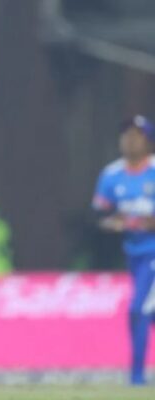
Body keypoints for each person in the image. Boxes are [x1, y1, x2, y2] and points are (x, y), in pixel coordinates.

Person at [93, 115, 155, 386]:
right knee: (146, 312)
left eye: (137, 135)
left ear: (148, 141)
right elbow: (101, 216)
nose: (130, 140)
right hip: (134, 253)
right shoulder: (111, 175)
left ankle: (136, 378)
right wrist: (116, 223)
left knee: (138, 309)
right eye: (126, 135)